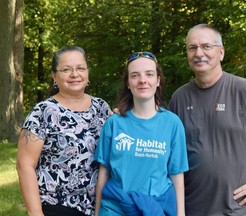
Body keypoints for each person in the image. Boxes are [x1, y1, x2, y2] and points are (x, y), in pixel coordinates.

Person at [168, 23, 246, 215]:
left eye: (206, 46)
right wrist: (128, 119)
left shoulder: (243, 90)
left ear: (221, 52)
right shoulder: (179, 98)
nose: (199, 53)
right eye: (192, 48)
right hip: (189, 209)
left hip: (235, 210)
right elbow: (166, 147)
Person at [16, 46, 111, 216]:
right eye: (66, 69)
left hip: (98, 206)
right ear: (54, 76)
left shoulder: (101, 108)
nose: (75, 74)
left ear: (87, 72)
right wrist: (36, 213)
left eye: (80, 68)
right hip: (56, 206)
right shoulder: (43, 112)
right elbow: (25, 165)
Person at [94, 51, 189, 216]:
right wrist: (97, 213)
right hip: (115, 208)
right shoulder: (114, 123)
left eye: (149, 74)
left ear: (158, 80)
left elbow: (176, 174)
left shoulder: (172, 124)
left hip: (155, 208)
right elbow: (104, 172)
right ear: (128, 84)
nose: (142, 80)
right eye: (135, 76)